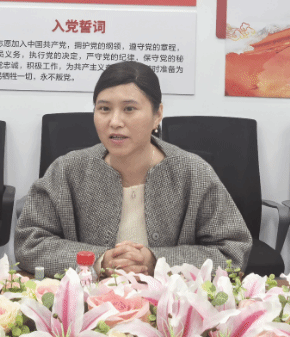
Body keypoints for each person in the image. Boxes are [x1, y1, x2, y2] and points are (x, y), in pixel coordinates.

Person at [15, 61, 251, 276]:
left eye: (129, 109)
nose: (115, 121)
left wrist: (158, 262)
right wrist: (99, 261)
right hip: (87, 301)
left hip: (168, 303)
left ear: (157, 115)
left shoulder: (193, 172)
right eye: (104, 109)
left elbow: (232, 251)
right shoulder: (67, 170)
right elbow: (29, 244)